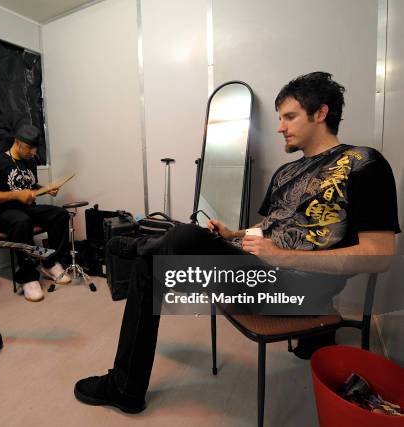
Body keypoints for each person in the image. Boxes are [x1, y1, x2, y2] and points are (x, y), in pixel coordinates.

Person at [74, 72, 400, 413]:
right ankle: (127, 383)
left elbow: (379, 255)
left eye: (290, 117)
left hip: (298, 289)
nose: (280, 127)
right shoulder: (286, 173)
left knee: (177, 241)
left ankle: (125, 377)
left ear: (321, 113)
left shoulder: (364, 164)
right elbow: (271, 226)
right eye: (279, 118)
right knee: (173, 245)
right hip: (261, 273)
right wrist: (233, 235)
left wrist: (283, 257)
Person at [0, 124, 71, 302]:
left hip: (27, 208)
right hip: (3, 212)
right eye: (30, 148)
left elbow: (28, 184)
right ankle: (28, 277)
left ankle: (49, 262)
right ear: (17, 142)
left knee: (60, 214)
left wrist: (45, 189)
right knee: (22, 221)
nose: (34, 152)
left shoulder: (29, 161)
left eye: (36, 148)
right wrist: (15, 195)